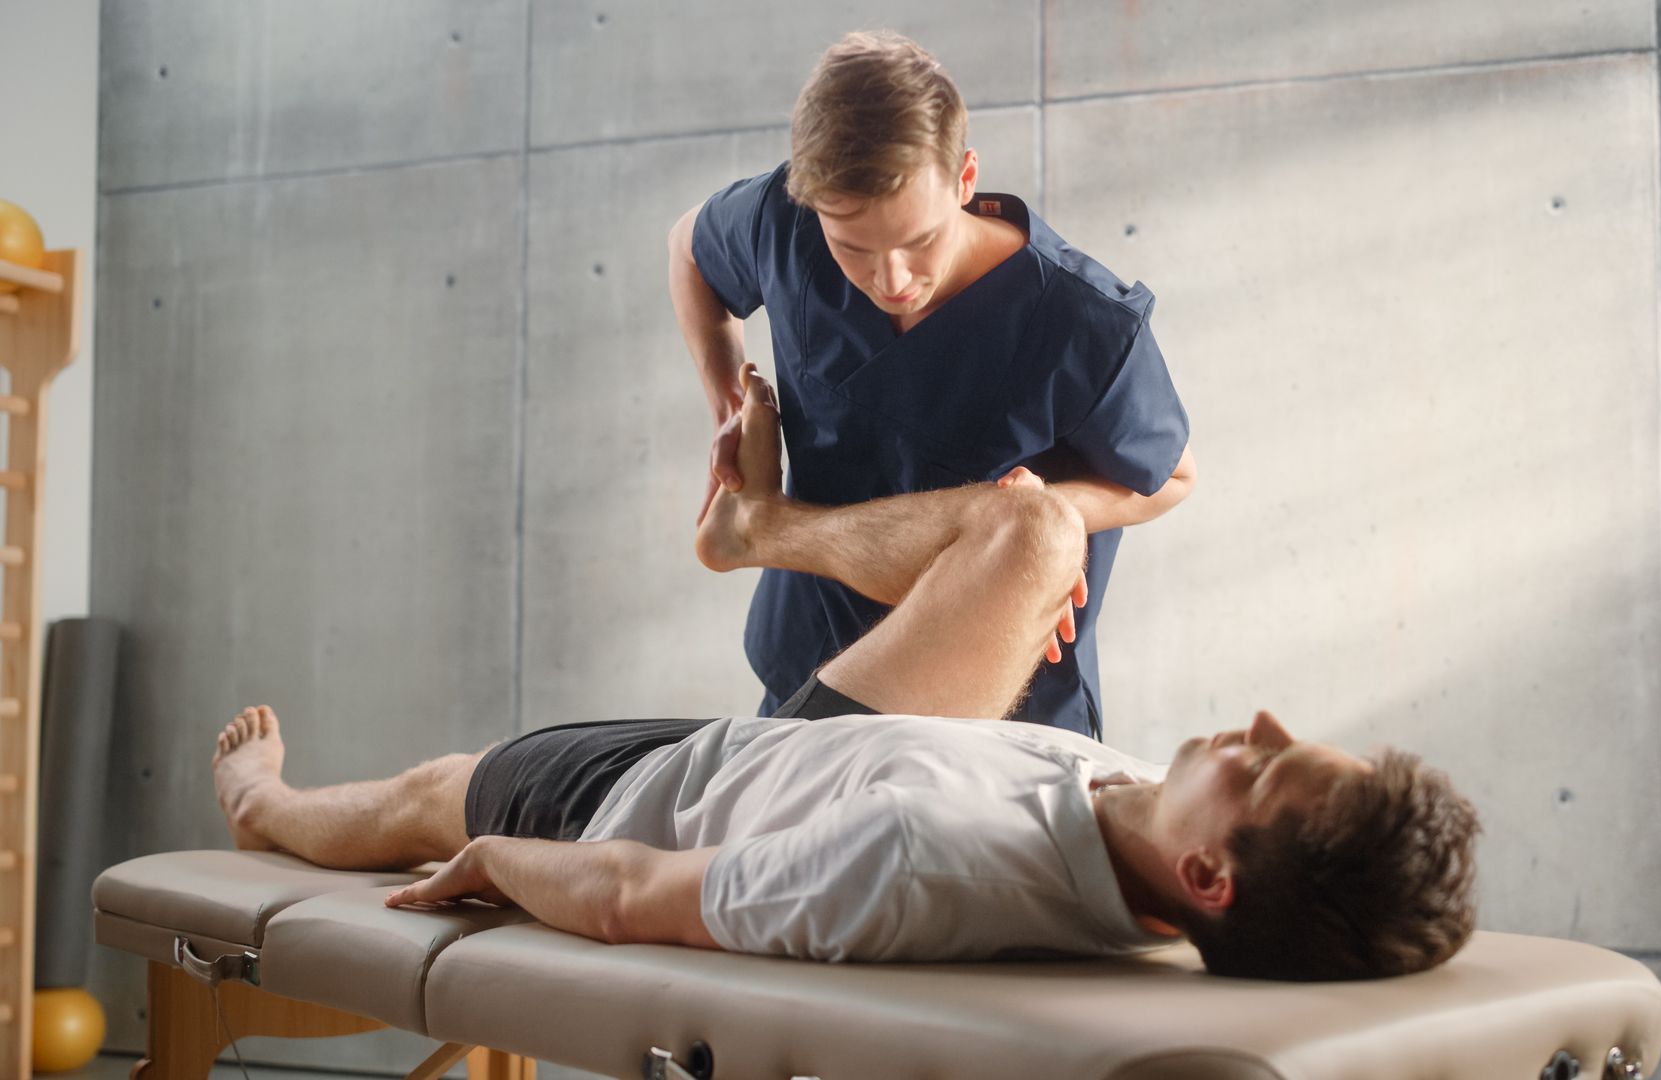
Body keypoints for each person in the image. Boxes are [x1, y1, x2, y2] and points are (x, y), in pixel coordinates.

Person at [209, 367, 1480, 980]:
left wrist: (495, 864)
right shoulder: (1160, 823)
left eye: (1268, 763)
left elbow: (628, 891)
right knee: (1038, 531)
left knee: (433, 793)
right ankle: (753, 531)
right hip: (848, 747)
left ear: (1209, 877)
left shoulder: (920, 862)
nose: (1258, 721)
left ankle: (265, 807)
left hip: (646, 793)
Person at [667, 30, 1196, 738]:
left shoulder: (1081, 322)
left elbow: (1169, 478)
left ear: (965, 179)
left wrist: (1041, 516)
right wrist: (732, 405)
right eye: (852, 247)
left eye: (919, 242)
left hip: (996, 703)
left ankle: (765, 531)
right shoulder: (783, 223)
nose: (892, 281)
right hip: (813, 665)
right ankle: (764, 529)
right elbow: (689, 251)